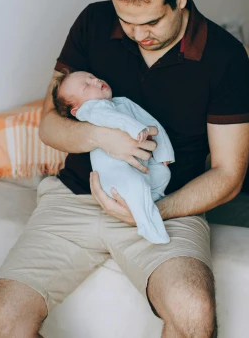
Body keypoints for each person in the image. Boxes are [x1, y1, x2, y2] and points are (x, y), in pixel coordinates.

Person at [0, 0, 249, 338]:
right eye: (127, 21)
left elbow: (229, 175)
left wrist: (153, 210)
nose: (139, 35)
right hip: (75, 198)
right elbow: (50, 125)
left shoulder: (225, 56)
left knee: (194, 313)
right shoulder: (93, 21)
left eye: (153, 22)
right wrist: (103, 138)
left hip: (167, 203)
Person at [52, 69, 174, 244]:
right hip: (115, 173)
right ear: (75, 110)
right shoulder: (89, 110)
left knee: (162, 174)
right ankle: (147, 224)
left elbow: (152, 122)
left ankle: (148, 202)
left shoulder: (122, 103)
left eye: (93, 77)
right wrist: (136, 129)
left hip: (140, 165)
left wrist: (164, 153)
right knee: (135, 184)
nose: (95, 81)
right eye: (87, 85)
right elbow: (113, 118)